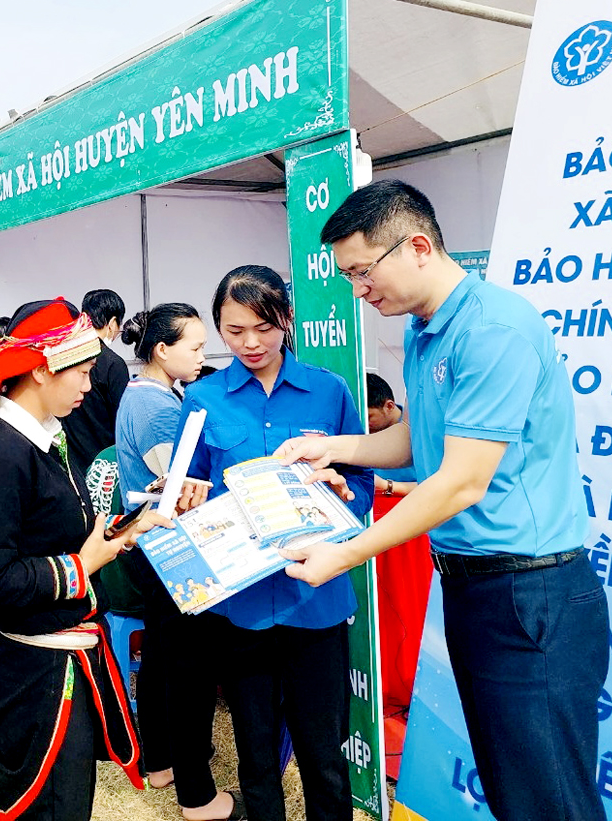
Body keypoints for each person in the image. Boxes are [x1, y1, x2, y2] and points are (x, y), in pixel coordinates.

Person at [278, 179, 609, 821]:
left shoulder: (492, 330)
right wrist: (337, 448)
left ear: (419, 246)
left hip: (529, 594)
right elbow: (419, 438)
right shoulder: (425, 330)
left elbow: (460, 481)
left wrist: (343, 553)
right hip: (476, 590)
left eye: (362, 272)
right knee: (514, 785)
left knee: (551, 799)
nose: (357, 290)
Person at [0, 299, 172, 821]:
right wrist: (82, 567)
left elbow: (52, 535)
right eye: (85, 372)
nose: (90, 387)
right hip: (34, 678)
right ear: (45, 367)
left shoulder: (44, 439)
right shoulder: (5, 454)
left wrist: (129, 525)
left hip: (55, 666)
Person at [175, 265, 373, 821]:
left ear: (286, 319)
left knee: (323, 755)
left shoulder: (328, 391)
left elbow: (361, 492)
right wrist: (184, 498)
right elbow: (183, 489)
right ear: (219, 328)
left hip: (317, 603)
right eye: (234, 330)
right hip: (241, 607)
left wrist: (342, 493)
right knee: (256, 755)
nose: (251, 342)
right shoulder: (204, 398)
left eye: (263, 326)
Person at [113, 303, 213, 804]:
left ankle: (160, 760)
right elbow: (178, 486)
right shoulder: (158, 408)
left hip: (151, 545)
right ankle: (170, 758)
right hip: (166, 546)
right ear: (161, 350)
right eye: (194, 347)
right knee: (177, 657)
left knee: (160, 653)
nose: (202, 355)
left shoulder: (148, 395)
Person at [62, 289, 129, 475]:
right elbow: (121, 421)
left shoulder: (68, 356)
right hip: (103, 466)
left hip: (70, 462)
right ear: (113, 323)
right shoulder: (113, 363)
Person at [365, 372, 417, 497]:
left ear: (389, 406)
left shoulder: (420, 432)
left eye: (369, 417)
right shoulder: (361, 431)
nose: (365, 424)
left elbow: (440, 485)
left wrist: (386, 486)